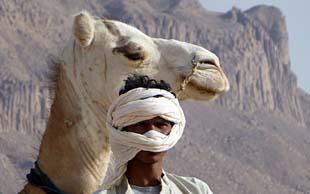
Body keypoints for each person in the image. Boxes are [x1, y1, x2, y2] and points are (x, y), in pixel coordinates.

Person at [95, 74, 213, 194]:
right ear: (123, 132)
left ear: (172, 131)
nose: (152, 133)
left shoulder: (196, 190)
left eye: (160, 124)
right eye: (140, 125)